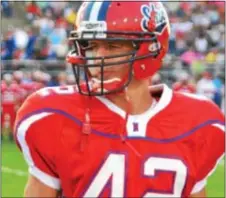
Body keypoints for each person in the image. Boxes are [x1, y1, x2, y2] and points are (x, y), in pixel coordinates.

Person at [14, 2, 224, 197]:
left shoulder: (199, 122)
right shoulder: (54, 114)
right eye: (91, 45)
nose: (98, 56)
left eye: (113, 46)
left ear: (151, 48)